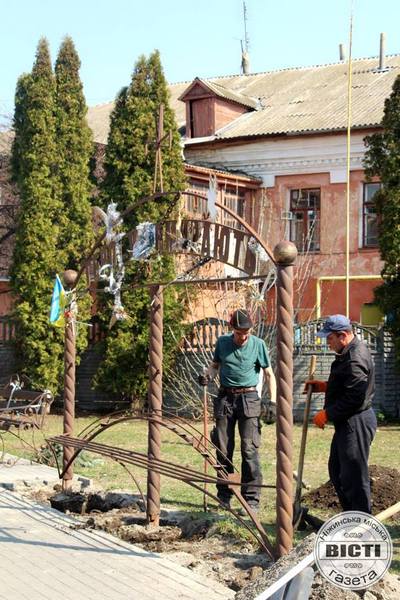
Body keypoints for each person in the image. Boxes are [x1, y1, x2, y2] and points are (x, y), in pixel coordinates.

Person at [198, 309, 277, 513]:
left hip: (249, 398)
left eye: (247, 332)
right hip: (225, 398)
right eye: (240, 332)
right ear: (232, 328)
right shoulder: (223, 343)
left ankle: (252, 499)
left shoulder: (258, 344)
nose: (243, 336)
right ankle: (224, 495)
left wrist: (273, 401)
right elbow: (215, 366)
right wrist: (207, 375)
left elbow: (269, 374)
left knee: (249, 449)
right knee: (223, 449)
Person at [307, 314, 377, 513]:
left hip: (356, 422)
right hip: (349, 421)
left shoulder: (355, 358)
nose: (327, 343)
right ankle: (350, 517)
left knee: (353, 476)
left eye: (329, 338)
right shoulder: (349, 352)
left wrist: (327, 414)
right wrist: (324, 386)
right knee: (338, 471)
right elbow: (348, 385)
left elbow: (354, 398)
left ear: (343, 335)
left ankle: (362, 523)